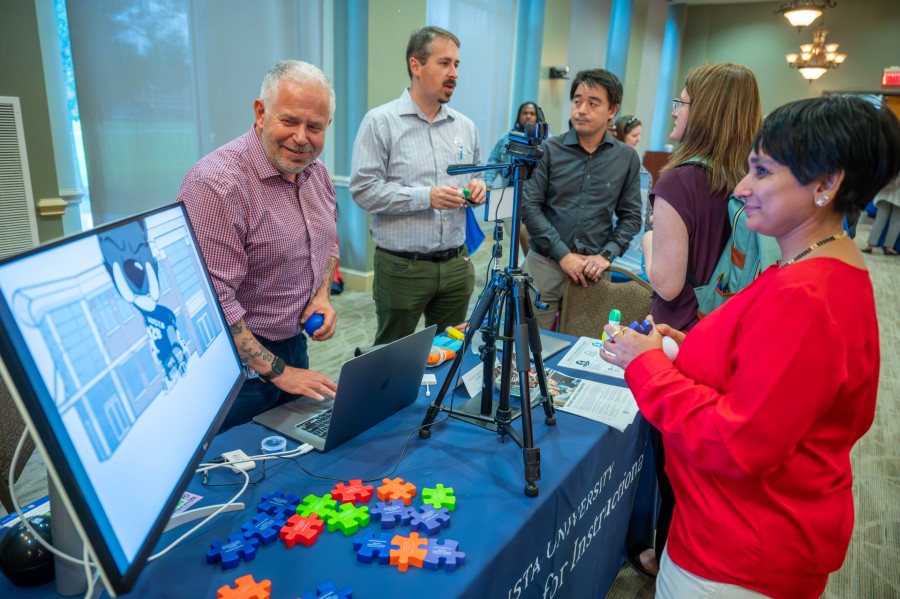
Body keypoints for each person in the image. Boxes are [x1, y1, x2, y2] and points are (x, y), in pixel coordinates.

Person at [600, 95, 900, 599]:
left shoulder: (806, 296)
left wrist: (648, 366)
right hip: (735, 532)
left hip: (738, 553)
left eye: (761, 172)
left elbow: (738, 442)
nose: (741, 188)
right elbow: (765, 375)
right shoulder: (812, 264)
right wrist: (686, 347)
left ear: (826, 184)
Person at [632, 64, 762, 577]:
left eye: (682, 102)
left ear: (702, 112)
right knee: (700, 468)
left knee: (669, 464)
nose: (673, 110)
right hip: (729, 336)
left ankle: (662, 557)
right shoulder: (745, 181)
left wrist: (646, 242)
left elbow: (665, 281)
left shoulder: (680, 181)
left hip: (678, 340)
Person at [177, 60, 339, 432]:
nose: (301, 137)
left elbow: (328, 238)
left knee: (294, 462)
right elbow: (212, 302)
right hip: (234, 368)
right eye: (290, 121)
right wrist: (280, 373)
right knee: (232, 471)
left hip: (292, 344)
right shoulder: (216, 185)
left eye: (314, 127)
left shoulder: (316, 172)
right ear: (261, 112)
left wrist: (322, 295)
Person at [350, 26, 486, 345]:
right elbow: (363, 190)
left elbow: (476, 177)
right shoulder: (380, 122)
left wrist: (478, 189)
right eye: (444, 63)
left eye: (456, 65)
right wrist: (427, 197)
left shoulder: (465, 127)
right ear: (416, 65)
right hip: (402, 268)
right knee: (392, 359)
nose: (453, 73)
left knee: (450, 353)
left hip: (457, 264)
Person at [521, 68, 642, 331]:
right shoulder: (548, 150)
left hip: (593, 270)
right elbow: (529, 207)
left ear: (613, 110)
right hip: (546, 263)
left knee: (583, 348)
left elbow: (631, 216)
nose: (581, 109)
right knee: (531, 348)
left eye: (592, 103)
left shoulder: (626, 158)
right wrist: (563, 255)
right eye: (577, 101)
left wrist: (606, 256)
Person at [864, 174, 900, 255]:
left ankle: (870, 246)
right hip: (898, 194)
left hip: (886, 190)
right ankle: (889, 247)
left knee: (879, 220)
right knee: (896, 222)